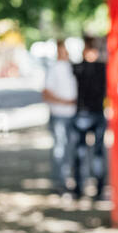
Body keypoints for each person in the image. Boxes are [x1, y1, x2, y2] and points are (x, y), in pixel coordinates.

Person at [71, 34, 109, 202]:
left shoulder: (77, 68)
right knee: (98, 153)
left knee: (81, 152)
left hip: (83, 114)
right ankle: (99, 190)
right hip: (98, 113)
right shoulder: (103, 68)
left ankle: (79, 189)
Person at [42, 39, 78, 199]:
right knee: (60, 150)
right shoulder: (54, 68)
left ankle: (72, 181)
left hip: (73, 114)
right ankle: (60, 183)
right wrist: (65, 102)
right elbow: (45, 93)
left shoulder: (72, 68)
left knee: (72, 150)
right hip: (59, 115)